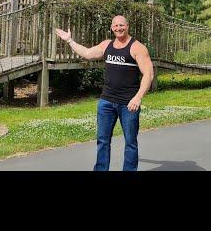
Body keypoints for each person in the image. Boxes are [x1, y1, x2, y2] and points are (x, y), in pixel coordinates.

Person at [55, 15, 154, 171]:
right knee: (102, 141)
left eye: (122, 25)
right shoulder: (107, 45)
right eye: (116, 26)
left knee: (130, 142)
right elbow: (87, 53)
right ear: (111, 27)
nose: (119, 28)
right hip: (106, 102)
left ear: (127, 26)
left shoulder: (137, 48)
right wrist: (69, 40)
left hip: (128, 104)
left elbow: (149, 74)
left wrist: (138, 97)